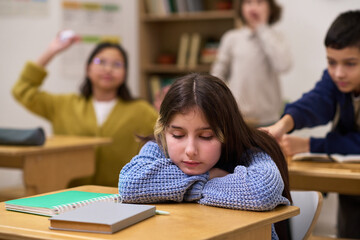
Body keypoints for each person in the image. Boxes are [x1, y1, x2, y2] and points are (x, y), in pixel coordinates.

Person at [118, 73, 292, 240]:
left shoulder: (250, 150)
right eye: (178, 135)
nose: (190, 150)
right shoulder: (159, 145)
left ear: (228, 131)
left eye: (206, 136)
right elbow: (130, 183)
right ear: (163, 130)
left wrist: (169, 188)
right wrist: (209, 177)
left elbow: (262, 190)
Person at [12, 31, 158, 187]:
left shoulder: (141, 111)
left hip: (119, 196)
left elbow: (170, 136)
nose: (108, 69)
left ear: (125, 74)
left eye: (117, 64)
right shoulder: (64, 105)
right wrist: (52, 51)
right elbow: (22, 89)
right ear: (88, 68)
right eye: (100, 61)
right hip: (68, 195)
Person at [262, 10, 360, 239]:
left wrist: (309, 144)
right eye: (331, 62)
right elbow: (317, 101)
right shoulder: (336, 79)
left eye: (350, 64)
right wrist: (282, 125)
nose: (338, 73)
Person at [211, 0, 291, 126]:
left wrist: (262, 29)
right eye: (248, 2)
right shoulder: (232, 38)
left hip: (269, 118)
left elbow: (284, 65)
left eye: (259, 2)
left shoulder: (276, 37)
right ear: (241, 8)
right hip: (237, 117)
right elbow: (217, 74)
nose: (254, 7)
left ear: (270, 8)